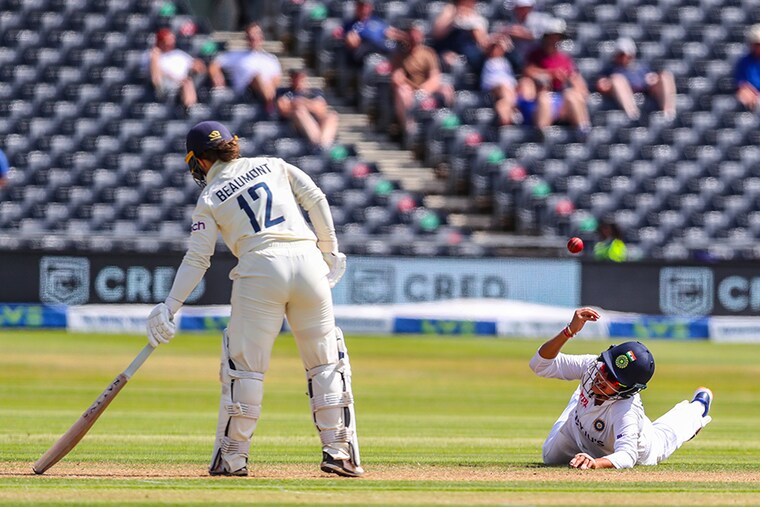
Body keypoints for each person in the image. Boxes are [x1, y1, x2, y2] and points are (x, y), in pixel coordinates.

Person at [146, 121, 363, 478]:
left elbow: (198, 259)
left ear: (199, 161)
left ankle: (232, 459)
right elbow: (316, 198)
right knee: (326, 362)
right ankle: (340, 453)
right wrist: (330, 251)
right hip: (308, 264)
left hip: (260, 269)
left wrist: (170, 306)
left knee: (244, 368)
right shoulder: (274, 164)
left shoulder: (210, 196)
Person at [530, 307, 714, 470]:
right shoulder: (591, 366)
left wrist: (595, 463)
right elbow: (539, 365)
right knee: (549, 457)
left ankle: (698, 406)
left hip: (641, 448)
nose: (601, 377)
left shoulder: (626, 410)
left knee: (667, 434)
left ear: (627, 390)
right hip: (575, 430)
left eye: (613, 378)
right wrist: (569, 331)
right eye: (605, 368)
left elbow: (627, 455)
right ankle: (580, 402)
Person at [517, 18, 591, 132]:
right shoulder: (535, 55)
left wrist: (568, 79)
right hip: (541, 97)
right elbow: (528, 71)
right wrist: (551, 74)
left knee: (572, 95)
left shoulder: (564, 58)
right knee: (544, 98)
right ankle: (542, 134)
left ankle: (583, 131)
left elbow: (578, 83)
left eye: (557, 37)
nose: (554, 40)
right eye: (551, 36)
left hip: (560, 98)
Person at [390, 20, 454, 135]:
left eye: (417, 33)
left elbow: (435, 77)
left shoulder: (428, 53)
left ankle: (447, 122)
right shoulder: (400, 55)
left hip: (425, 89)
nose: (414, 37)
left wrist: (423, 91)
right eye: (411, 33)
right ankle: (409, 128)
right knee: (402, 91)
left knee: (446, 88)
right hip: (410, 91)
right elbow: (397, 78)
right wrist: (400, 81)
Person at [596, 37, 677, 121]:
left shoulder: (641, 67)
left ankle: (669, 113)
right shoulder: (611, 69)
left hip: (645, 90)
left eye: (627, 55)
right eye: (621, 55)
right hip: (623, 93)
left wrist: (653, 79)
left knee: (666, 75)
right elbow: (601, 85)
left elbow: (651, 79)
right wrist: (607, 83)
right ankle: (633, 114)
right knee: (617, 79)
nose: (624, 58)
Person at [209, 23, 282, 113]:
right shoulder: (238, 55)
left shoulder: (271, 59)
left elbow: (276, 80)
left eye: (256, 34)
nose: (254, 38)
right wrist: (217, 75)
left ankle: (270, 102)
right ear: (247, 38)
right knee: (257, 76)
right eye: (251, 36)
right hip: (246, 92)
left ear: (262, 37)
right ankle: (271, 104)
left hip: (268, 90)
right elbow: (215, 63)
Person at [276, 69, 340, 150]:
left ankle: (323, 144)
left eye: (301, 77)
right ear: (291, 78)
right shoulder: (284, 92)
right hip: (294, 124)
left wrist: (301, 102)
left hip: (315, 120)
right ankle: (317, 144)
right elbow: (283, 109)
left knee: (332, 116)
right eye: (296, 77)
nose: (299, 80)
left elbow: (321, 109)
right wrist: (309, 104)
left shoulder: (314, 92)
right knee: (299, 112)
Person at [148, 28, 206, 109]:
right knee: (186, 83)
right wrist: (175, 78)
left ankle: (191, 108)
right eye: (167, 42)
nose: (170, 44)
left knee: (187, 82)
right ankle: (190, 108)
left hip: (182, 81)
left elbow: (195, 65)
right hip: (165, 84)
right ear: (161, 42)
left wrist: (197, 65)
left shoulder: (178, 54)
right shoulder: (155, 55)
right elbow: (156, 77)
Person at [432, 0, 490, 73]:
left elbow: (482, 42)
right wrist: (454, 17)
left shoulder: (477, 16)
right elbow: (437, 34)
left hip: (469, 52)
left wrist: (474, 29)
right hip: (448, 48)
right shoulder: (450, 10)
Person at [343, 0, 404, 66]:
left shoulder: (377, 21)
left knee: (394, 47)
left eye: (365, 6)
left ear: (370, 7)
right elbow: (351, 41)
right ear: (356, 7)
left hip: (382, 50)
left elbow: (390, 32)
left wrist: (404, 36)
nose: (363, 9)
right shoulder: (351, 24)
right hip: (364, 54)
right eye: (360, 6)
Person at [480, 34, 519, 126]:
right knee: (504, 89)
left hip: (508, 89)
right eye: (494, 48)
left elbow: (511, 78)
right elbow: (488, 81)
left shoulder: (506, 62)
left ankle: (506, 118)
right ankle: (511, 114)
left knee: (503, 102)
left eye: (499, 48)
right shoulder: (487, 62)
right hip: (493, 88)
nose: (496, 50)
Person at [734, 24, 760, 111]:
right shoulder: (744, 61)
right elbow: (741, 82)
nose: (758, 47)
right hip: (751, 93)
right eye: (756, 44)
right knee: (744, 95)